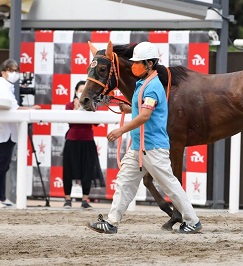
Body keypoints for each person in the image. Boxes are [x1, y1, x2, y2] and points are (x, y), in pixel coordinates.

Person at [87, 42, 202, 234]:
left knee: (170, 184)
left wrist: (120, 130)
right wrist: (127, 108)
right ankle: (112, 222)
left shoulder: (153, 86)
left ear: (149, 64)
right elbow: (143, 110)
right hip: (139, 148)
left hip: (153, 148)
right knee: (124, 182)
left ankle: (193, 221)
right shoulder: (143, 84)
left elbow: (145, 116)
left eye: (138, 63)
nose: (134, 66)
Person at [0, 59, 41, 208]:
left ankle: (2, 198)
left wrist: (29, 108)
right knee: (1, 165)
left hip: (9, 133)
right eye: (11, 70)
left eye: (16, 70)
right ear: (3, 72)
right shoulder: (1, 84)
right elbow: (11, 108)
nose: (15, 73)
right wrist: (30, 109)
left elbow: (14, 107)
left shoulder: (8, 86)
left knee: (4, 166)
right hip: (3, 133)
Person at [62, 81, 104, 210]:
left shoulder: (91, 105)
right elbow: (69, 121)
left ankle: (85, 200)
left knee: (88, 170)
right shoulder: (69, 105)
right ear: (75, 92)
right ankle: (67, 200)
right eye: (80, 90)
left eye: (84, 90)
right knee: (68, 171)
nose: (82, 92)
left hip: (88, 141)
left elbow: (97, 123)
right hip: (72, 140)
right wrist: (75, 109)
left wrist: (90, 108)